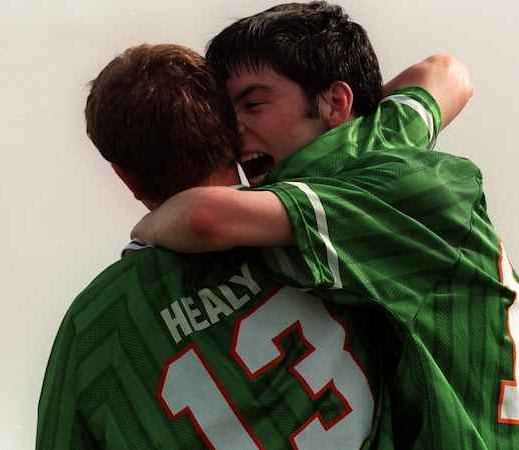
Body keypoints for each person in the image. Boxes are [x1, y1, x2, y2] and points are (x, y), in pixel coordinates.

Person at [131, 2, 519, 449]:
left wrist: (147, 227)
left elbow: (203, 217)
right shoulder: (385, 146)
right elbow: (446, 72)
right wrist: (365, 126)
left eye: (254, 104)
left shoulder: (360, 192)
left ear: (335, 100)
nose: (234, 133)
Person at [37, 42, 473, 447]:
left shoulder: (94, 322)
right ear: (233, 132)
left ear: (124, 176)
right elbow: (441, 74)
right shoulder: (324, 207)